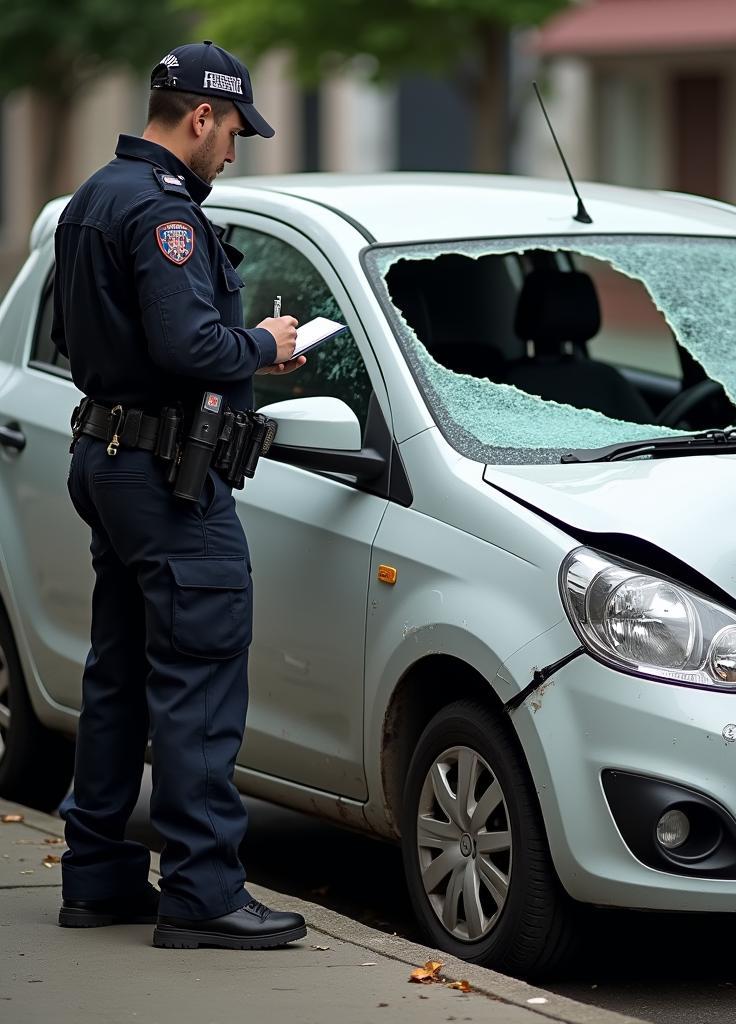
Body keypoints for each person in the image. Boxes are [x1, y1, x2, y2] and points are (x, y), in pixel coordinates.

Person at [52, 41, 308, 950]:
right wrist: (267, 345)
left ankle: (97, 875)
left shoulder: (92, 197)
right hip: (166, 477)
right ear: (200, 116)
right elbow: (188, 346)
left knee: (118, 676)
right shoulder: (165, 214)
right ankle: (202, 893)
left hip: (111, 460)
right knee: (198, 679)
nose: (233, 151)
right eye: (233, 131)